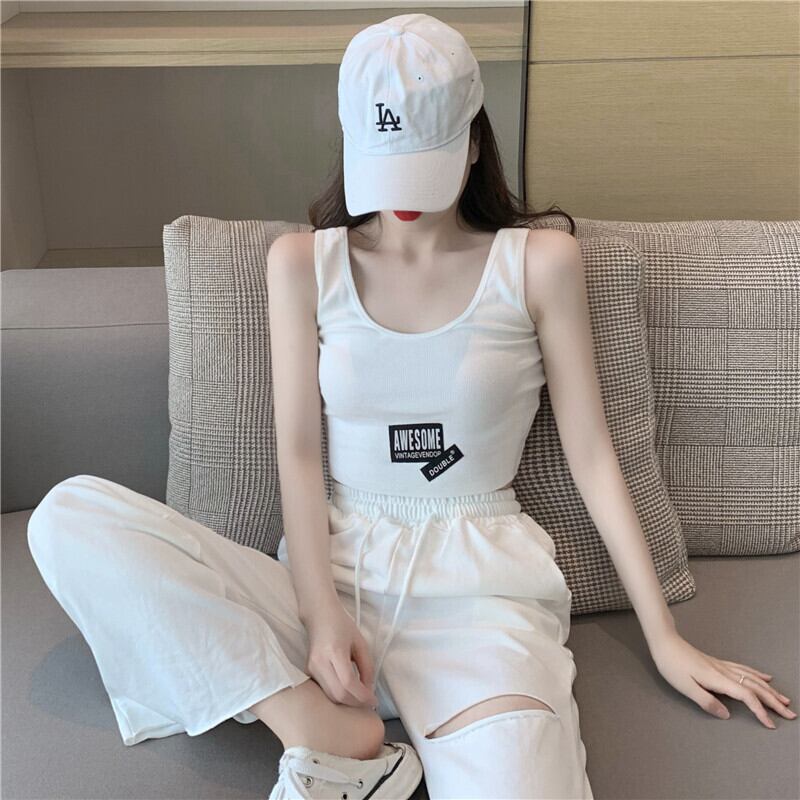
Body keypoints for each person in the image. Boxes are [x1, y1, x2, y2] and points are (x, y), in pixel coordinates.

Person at [26, 12, 795, 800]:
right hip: (329, 576)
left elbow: (592, 455)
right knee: (67, 518)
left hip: (479, 597)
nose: (400, 201)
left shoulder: (540, 264)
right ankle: (320, 729)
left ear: (472, 144)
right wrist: (321, 617)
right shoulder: (301, 264)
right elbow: (299, 453)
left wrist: (664, 636)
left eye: (422, 165)